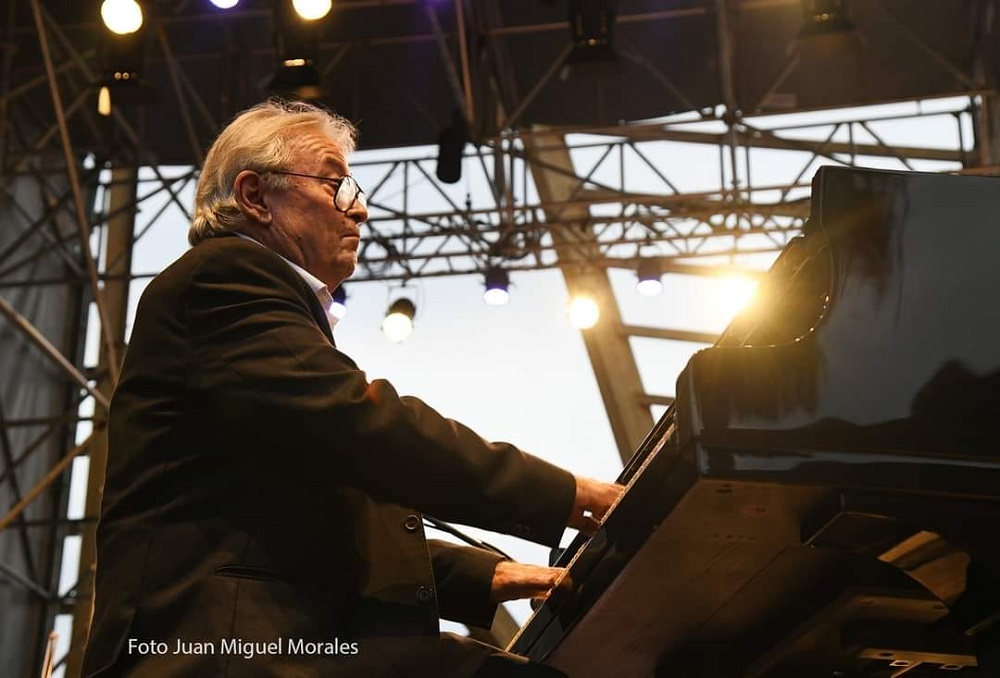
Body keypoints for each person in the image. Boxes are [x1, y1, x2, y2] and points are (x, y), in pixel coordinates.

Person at [81, 99, 623, 677]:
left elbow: (317, 518)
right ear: (255, 195)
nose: (359, 208)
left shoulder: (248, 306)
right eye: (335, 185)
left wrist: (486, 574)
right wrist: (568, 495)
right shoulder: (223, 278)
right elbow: (365, 427)